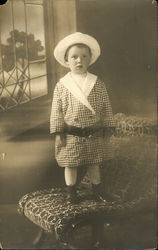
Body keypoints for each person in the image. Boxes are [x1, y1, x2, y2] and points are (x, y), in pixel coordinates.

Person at [50, 32, 115, 204]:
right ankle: (71, 192)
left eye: (84, 56)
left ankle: (97, 190)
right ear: (67, 60)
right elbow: (56, 111)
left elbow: (106, 106)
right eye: (74, 57)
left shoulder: (97, 83)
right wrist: (58, 133)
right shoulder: (62, 86)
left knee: (94, 163)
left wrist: (108, 126)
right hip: (72, 134)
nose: (79, 61)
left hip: (93, 132)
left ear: (90, 59)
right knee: (70, 164)